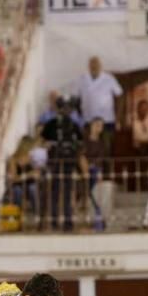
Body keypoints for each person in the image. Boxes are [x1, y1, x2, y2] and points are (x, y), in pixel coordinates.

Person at [41, 96, 84, 231]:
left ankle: (68, 221)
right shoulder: (51, 124)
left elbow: (80, 143)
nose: (66, 111)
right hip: (54, 161)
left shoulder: (74, 125)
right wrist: (50, 145)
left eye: (68, 108)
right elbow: (43, 140)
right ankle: (53, 221)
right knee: (54, 191)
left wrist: (73, 147)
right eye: (63, 107)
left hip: (69, 161)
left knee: (67, 192)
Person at [74, 56, 122, 155]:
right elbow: (76, 100)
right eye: (92, 64)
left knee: (106, 148)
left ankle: (107, 170)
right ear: (89, 66)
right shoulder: (82, 79)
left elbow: (119, 96)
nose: (94, 66)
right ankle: (91, 169)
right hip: (88, 120)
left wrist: (118, 117)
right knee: (89, 148)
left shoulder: (109, 78)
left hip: (107, 120)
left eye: (96, 64)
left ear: (100, 66)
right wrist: (80, 118)